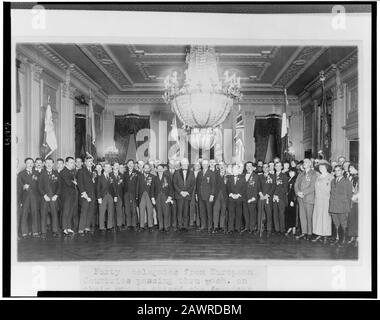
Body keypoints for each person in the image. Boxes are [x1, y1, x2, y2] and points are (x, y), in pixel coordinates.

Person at [294, 158, 318, 240]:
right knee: (302, 216)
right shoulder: (301, 174)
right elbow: (296, 184)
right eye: (303, 162)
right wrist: (297, 192)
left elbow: (313, 186)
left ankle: (309, 233)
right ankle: (304, 232)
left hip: (308, 198)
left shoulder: (314, 173)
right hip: (300, 198)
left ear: (310, 164)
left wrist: (303, 193)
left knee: (309, 216)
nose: (304, 163)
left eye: (306, 162)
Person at [329, 165, 353, 245]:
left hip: (342, 207)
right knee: (336, 224)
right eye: (335, 170)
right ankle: (337, 238)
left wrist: (347, 208)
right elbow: (331, 194)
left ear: (343, 171)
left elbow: (349, 196)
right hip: (333, 206)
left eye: (338, 170)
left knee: (343, 224)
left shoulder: (347, 182)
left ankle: (344, 240)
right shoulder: (333, 181)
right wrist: (330, 207)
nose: (336, 172)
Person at [311, 160, 334, 243]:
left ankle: (326, 235)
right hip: (318, 200)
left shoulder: (330, 177)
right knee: (318, 217)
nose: (321, 168)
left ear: (326, 167)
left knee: (325, 217)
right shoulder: (318, 177)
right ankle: (319, 233)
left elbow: (331, 189)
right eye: (320, 167)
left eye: (323, 167)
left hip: (326, 200)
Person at [38, 157, 61, 238]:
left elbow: (59, 186)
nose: (49, 164)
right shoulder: (42, 174)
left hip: (54, 198)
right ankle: (43, 232)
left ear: (53, 164)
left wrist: (56, 195)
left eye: (50, 162)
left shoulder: (56, 173)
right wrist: (44, 195)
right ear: (45, 164)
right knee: (43, 215)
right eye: (47, 162)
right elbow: (39, 186)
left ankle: (55, 231)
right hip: (45, 198)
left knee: (54, 214)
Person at [17, 158, 40, 237]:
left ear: (33, 164)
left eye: (31, 163)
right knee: (24, 214)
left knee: (35, 214)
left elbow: (39, 186)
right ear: (25, 164)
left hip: (34, 197)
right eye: (28, 163)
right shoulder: (21, 174)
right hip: (25, 197)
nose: (30, 164)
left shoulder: (36, 173)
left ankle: (35, 232)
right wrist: (23, 186)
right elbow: (19, 188)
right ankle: (24, 232)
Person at [173, 158, 195, 231]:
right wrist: (181, 192)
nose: (185, 165)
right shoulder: (176, 172)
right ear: (181, 165)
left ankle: (185, 226)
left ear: (188, 164)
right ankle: (179, 226)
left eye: (186, 163)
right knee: (179, 211)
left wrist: (187, 192)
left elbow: (193, 184)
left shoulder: (192, 173)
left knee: (186, 211)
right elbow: (174, 184)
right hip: (179, 195)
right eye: (183, 164)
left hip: (187, 195)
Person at [196, 159, 216, 233]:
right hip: (200, 195)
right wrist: (196, 194)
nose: (204, 165)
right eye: (203, 164)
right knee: (202, 211)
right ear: (202, 165)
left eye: (205, 164)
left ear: (208, 165)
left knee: (209, 212)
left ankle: (210, 227)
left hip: (208, 196)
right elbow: (197, 185)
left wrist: (212, 195)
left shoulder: (211, 173)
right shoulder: (199, 173)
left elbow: (213, 185)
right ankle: (203, 226)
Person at [226, 164, 246, 233]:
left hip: (239, 198)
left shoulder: (243, 178)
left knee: (238, 213)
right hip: (231, 198)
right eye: (234, 169)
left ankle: (237, 228)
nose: (235, 170)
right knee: (231, 214)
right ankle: (230, 228)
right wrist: (230, 194)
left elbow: (244, 188)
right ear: (232, 170)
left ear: (239, 170)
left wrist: (238, 194)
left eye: (236, 169)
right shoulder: (229, 178)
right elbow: (227, 187)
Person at [153, 164, 173, 232]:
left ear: (163, 169)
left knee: (166, 212)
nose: (160, 169)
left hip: (165, 196)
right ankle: (161, 226)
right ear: (157, 170)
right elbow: (152, 189)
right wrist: (152, 198)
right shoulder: (154, 178)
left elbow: (171, 188)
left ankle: (166, 226)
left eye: (161, 168)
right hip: (157, 197)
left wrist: (170, 196)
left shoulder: (167, 177)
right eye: (158, 168)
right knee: (159, 212)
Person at [257, 163, 276, 237]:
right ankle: (259, 229)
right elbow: (258, 186)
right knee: (260, 214)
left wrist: (267, 195)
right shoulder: (260, 176)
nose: (265, 168)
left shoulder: (272, 176)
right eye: (263, 167)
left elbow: (273, 187)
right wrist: (261, 194)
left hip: (268, 197)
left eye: (266, 167)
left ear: (268, 168)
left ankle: (269, 230)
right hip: (261, 197)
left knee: (268, 214)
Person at [60, 157, 77, 236]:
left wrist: (73, 182)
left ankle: (69, 227)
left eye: (73, 162)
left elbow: (72, 181)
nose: (73, 164)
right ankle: (64, 228)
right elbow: (69, 183)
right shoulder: (64, 171)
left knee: (70, 211)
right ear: (66, 163)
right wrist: (74, 182)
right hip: (66, 195)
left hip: (71, 194)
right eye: (71, 162)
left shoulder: (70, 172)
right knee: (66, 212)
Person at [97, 163, 116, 232]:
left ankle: (109, 226)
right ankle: (101, 227)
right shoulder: (100, 177)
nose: (108, 169)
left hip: (110, 196)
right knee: (102, 212)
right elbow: (98, 188)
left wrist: (115, 196)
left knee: (111, 211)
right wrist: (99, 198)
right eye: (106, 167)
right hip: (103, 196)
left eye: (109, 167)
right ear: (104, 168)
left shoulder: (112, 176)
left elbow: (114, 187)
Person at [136, 163, 155, 232]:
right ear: (143, 169)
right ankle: (141, 226)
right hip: (141, 196)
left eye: (148, 168)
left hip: (149, 196)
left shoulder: (153, 176)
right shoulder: (139, 176)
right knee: (141, 211)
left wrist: (153, 197)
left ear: (150, 169)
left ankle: (150, 226)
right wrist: (137, 196)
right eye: (145, 168)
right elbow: (137, 187)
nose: (146, 169)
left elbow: (154, 188)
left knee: (150, 211)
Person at [243, 161, 260, 234]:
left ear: (253, 167)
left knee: (252, 213)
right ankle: (247, 227)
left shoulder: (256, 176)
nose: (248, 167)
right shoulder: (243, 175)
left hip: (252, 198)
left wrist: (254, 197)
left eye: (249, 166)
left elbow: (257, 188)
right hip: (244, 198)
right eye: (247, 166)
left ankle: (252, 228)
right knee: (245, 213)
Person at [272, 162, 288, 234]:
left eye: (279, 166)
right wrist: (273, 195)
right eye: (276, 166)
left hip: (281, 198)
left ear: (281, 167)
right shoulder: (272, 176)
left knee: (281, 214)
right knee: (275, 213)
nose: (278, 167)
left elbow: (285, 188)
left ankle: (282, 229)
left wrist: (278, 196)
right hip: (273, 197)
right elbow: (271, 187)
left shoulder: (284, 176)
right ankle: (276, 229)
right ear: (275, 167)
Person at [123, 159, 139, 230]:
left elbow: (138, 185)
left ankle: (134, 224)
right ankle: (128, 224)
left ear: (133, 164)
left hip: (134, 193)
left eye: (131, 163)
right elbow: (123, 185)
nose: (130, 165)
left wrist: (137, 194)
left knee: (133, 209)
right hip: (126, 193)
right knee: (127, 209)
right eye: (129, 163)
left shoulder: (137, 173)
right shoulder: (124, 173)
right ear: (127, 165)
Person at [213, 161, 228, 233]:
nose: (222, 166)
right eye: (220, 165)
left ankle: (221, 226)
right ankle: (215, 226)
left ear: (225, 166)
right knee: (216, 210)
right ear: (218, 166)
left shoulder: (229, 174)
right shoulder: (215, 174)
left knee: (223, 211)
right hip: (217, 195)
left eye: (223, 165)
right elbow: (212, 185)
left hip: (225, 196)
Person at [347, 163, 359, 246]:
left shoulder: (361, 177)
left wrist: (355, 196)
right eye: (349, 168)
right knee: (351, 219)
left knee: (358, 219)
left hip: (358, 201)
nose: (350, 169)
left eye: (351, 168)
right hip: (351, 201)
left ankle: (358, 238)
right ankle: (352, 236)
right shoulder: (350, 177)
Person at [111, 162, 124, 230]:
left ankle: (119, 225)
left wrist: (121, 183)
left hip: (119, 195)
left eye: (118, 166)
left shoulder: (121, 175)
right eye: (115, 165)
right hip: (112, 195)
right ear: (112, 167)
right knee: (112, 210)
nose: (116, 167)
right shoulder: (109, 174)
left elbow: (124, 186)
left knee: (119, 211)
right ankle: (113, 225)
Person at [285, 168, 298, 236]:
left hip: (292, 200)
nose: (291, 173)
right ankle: (290, 227)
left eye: (292, 172)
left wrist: (293, 200)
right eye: (290, 172)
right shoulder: (289, 179)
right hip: (288, 199)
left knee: (293, 215)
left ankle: (293, 230)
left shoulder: (295, 180)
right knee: (289, 214)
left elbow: (295, 191)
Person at [190, 162, 201, 229]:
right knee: (191, 206)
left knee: (198, 207)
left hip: (199, 192)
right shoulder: (190, 173)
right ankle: (191, 221)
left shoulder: (201, 173)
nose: (196, 166)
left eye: (198, 165)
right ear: (193, 166)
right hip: (191, 191)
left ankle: (198, 222)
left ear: (200, 166)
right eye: (195, 165)